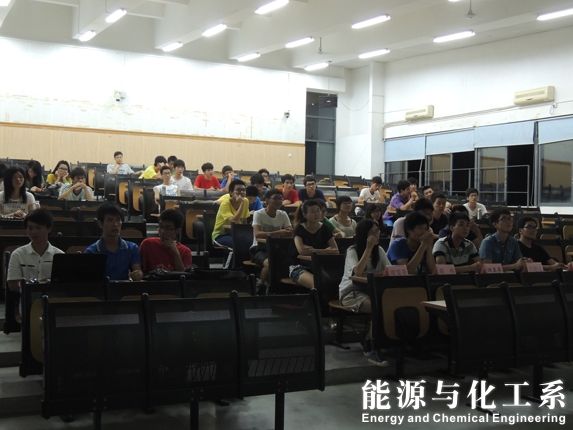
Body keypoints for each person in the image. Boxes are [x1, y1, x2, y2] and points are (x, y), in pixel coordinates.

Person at [338, 218, 391, 367]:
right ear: (363, 234)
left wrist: (371, 274)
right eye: (372, 232)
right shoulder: (352, 250)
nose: (376, 235)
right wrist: (368, 249)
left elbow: (389, 270)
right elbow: (357, 272)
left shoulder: (379, 251)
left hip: (372, 290)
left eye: (377, 231)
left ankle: (368, 339)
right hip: (351, 292)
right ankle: (374, 348)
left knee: (387, 304)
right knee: (378, 307)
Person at [7, 209, 64, 294]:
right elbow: (12, 285)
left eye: (38, 228)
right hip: (27, 300)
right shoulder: (18, 254)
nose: (33, 232)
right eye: (30, 228)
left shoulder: (59, 255)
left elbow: (64, 285)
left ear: (49, 229)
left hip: (52, 300)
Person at [85, 203, 143, 281]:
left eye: (118, 220)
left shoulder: (132, 248)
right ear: (100, 224)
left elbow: (138, 270)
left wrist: (138, 274)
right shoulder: (91, 251)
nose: (115, 224)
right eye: (110, 220)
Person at [288, 199, 338, 289]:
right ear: (305, 214)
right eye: (312, 211)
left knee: (334, 283)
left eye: (318, 211)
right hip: (299, 267)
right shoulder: (299, 229)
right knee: (317, 284)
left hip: (320, 266)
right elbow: (302, 251)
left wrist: (313, 251)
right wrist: (325, 251)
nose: (316, 214)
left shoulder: (325, 228)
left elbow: (335, 250)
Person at [250, 189, 293, 287]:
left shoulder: (283, 214)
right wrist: (279, 233)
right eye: (275, 198)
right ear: (267, 200)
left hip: (276, 248)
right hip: (259, 248)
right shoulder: (259, 214)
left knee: (288, 262)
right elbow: (257, 234)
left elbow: (290, 231)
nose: (278, 201)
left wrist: (288, 232)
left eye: (280, 199)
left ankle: (276, 287)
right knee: (270, 263)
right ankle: (260, 284)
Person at [212, 180, 250, 248]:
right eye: (238, 190)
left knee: (251, 242)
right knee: (238, 244)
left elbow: (244, 221)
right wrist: (242, 204)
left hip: (237, 234)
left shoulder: (245, 201)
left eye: (243, 190)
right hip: (221, 235)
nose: (241, 192)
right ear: (231, 192)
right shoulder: (225, 204)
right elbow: (235, 222)